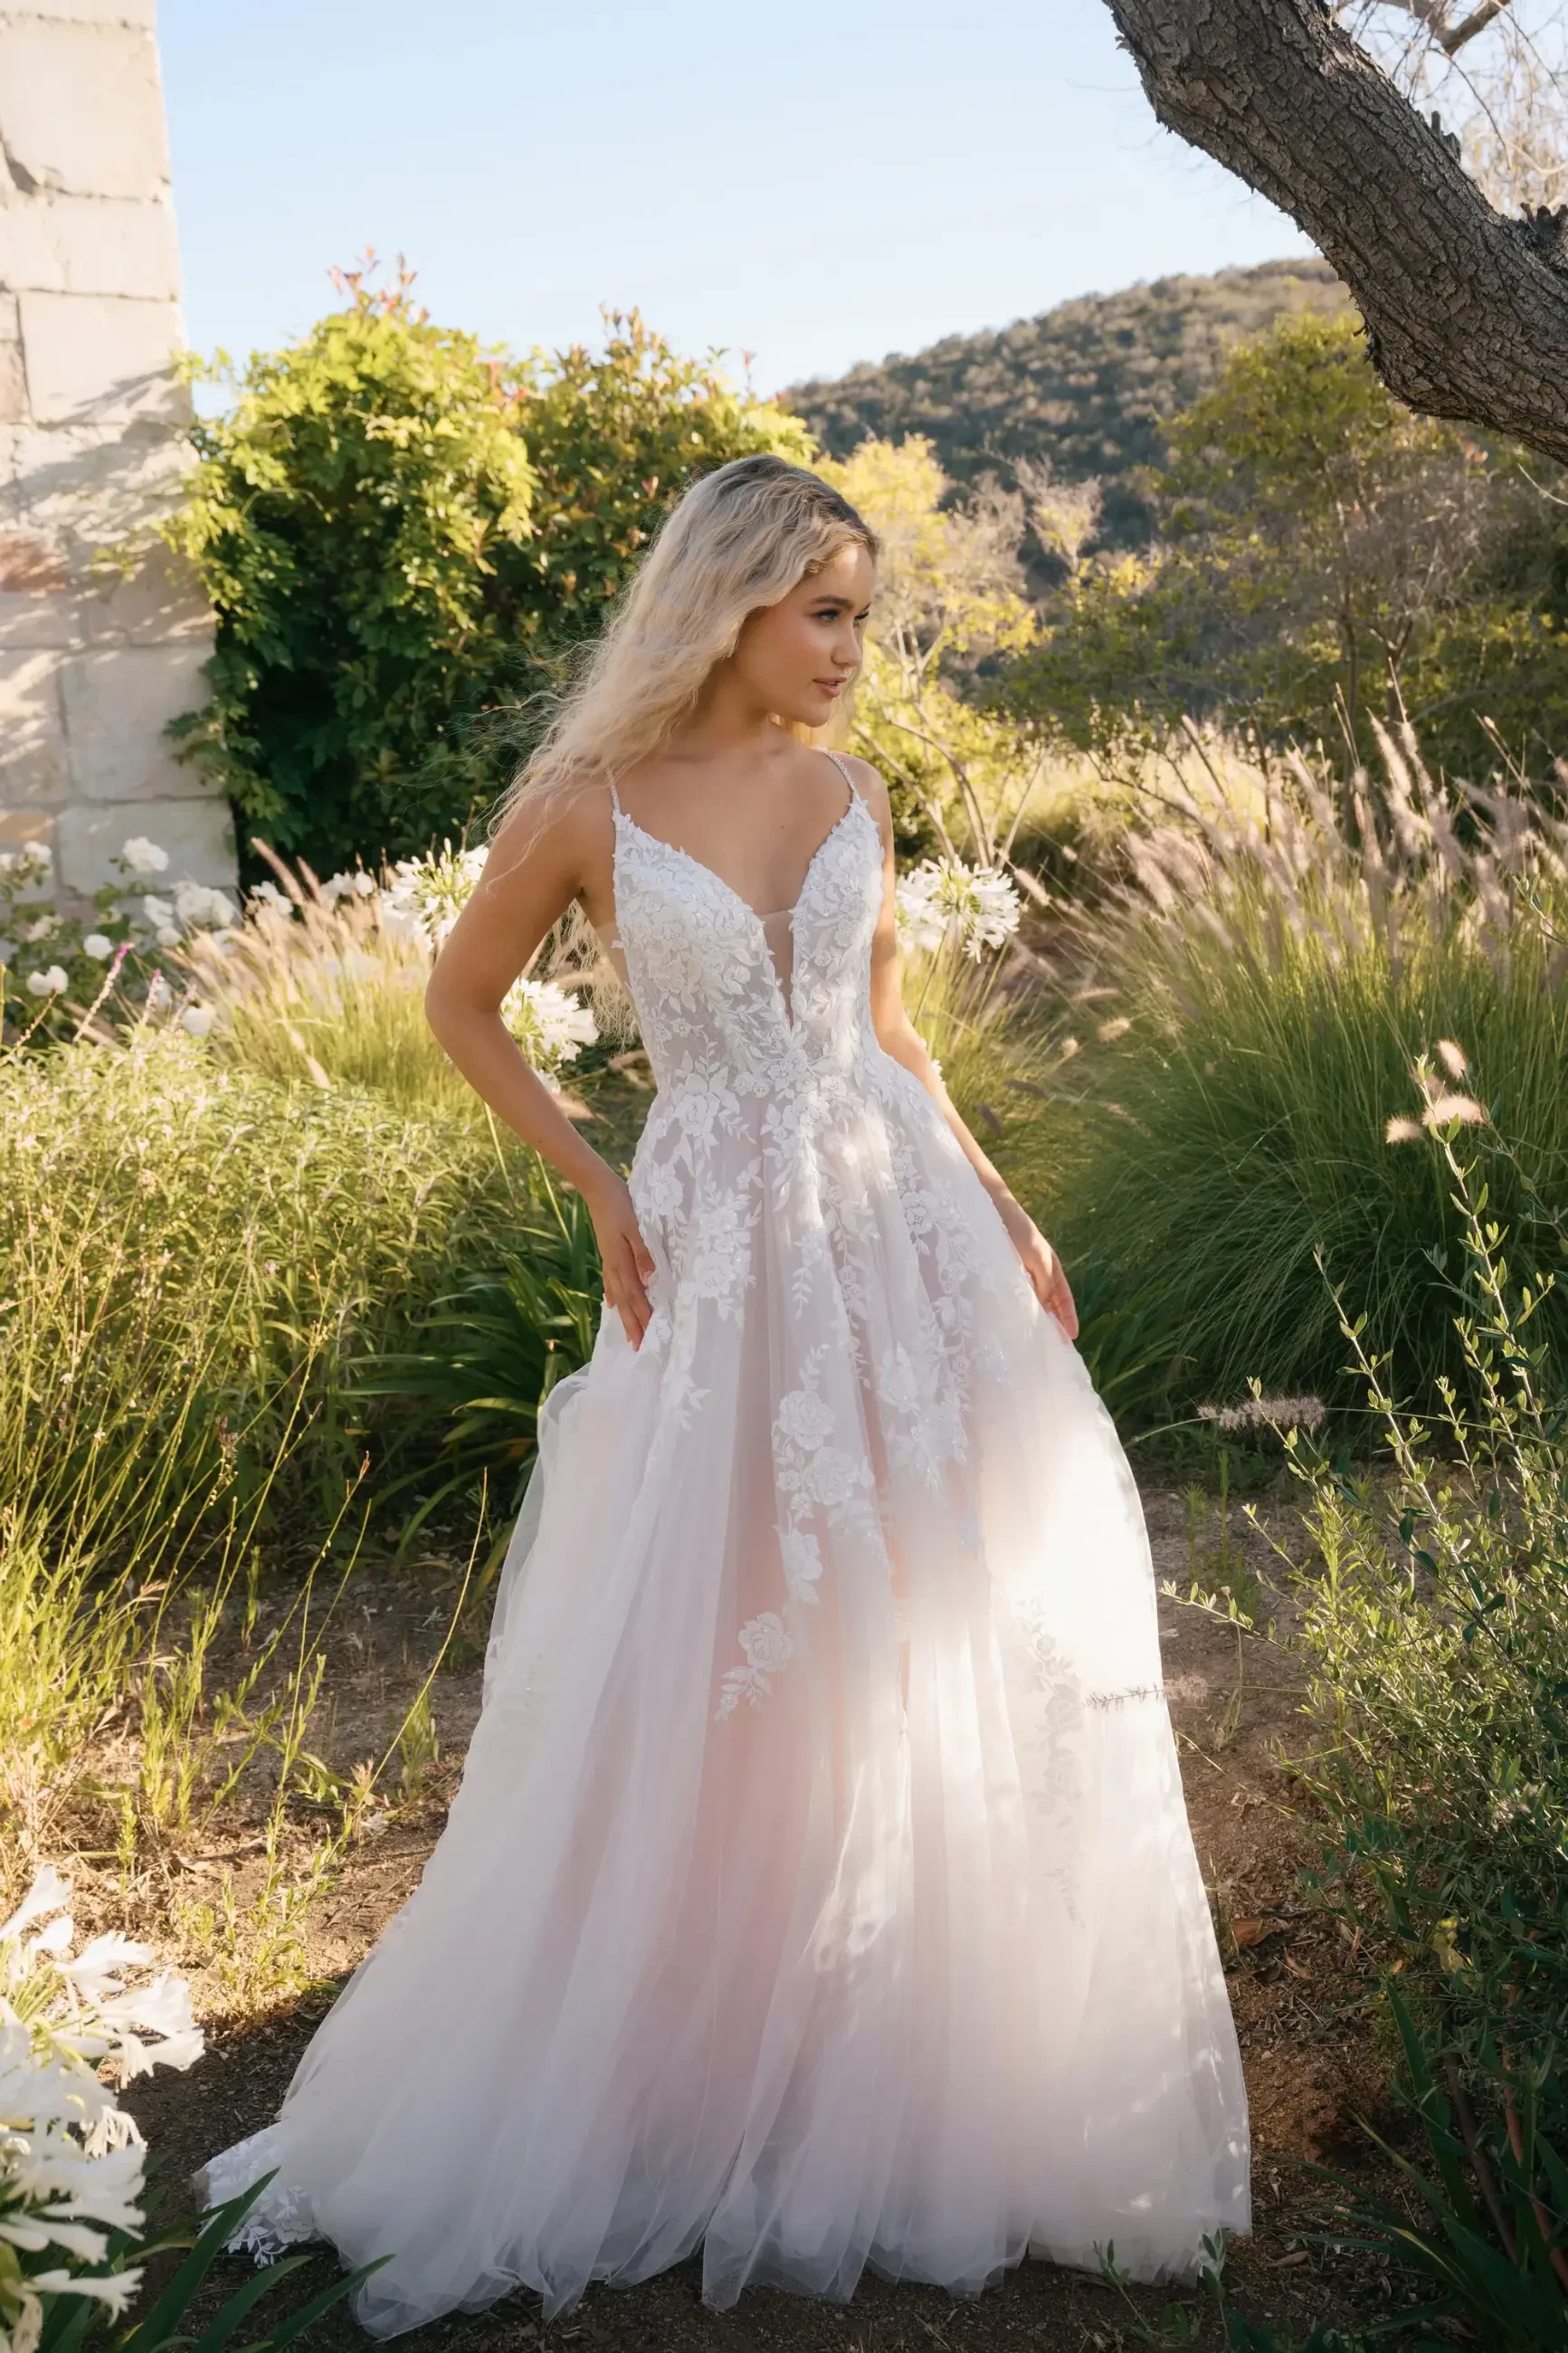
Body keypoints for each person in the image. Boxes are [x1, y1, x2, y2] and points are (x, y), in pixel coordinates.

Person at [195, 454, 1250, 2337]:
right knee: (717, 1622)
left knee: (918, 1617)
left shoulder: (853, 791)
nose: (853, 649)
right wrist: (596, 1177)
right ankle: (685, 2029)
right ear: (728, 602)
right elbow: (460, 1000)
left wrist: (1003, 1207)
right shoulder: (585, 802)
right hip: (709, 1246)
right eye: (824, 611)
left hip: (891, 1228)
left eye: (862, 613)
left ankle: (893, 2044)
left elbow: (894, 1033)